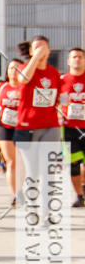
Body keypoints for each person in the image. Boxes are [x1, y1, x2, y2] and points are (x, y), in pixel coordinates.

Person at [15, 36, 61, 186]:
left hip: (51, 125)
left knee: (48, 168)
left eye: (44, 48)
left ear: (49, 51)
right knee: (33, 171)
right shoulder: (24, 68)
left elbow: (58, 97)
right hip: (28, 127)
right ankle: (31, 203)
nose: (41, 51)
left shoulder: (54, 73)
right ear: (31, 51)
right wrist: (35, 58)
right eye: (37, 48)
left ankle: (48, 207)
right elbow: (23, 79)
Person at [0, 61, 23, 206]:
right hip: (5, 126)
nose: (13, 71)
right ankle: (15, 194)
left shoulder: (25, 87)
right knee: (11, 162)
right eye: (10, 68)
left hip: (22, 127)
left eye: (17, 68)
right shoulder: (1, 87)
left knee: (22, 162)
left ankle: (23, 188)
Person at [59, 46, 85, 208]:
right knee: (73, 166)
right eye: (74, 57)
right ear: (68, 61)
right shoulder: (62, 81)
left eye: (80, 57)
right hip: (69, 128)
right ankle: (79, 196)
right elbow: (60, 102)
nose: (77, 59)